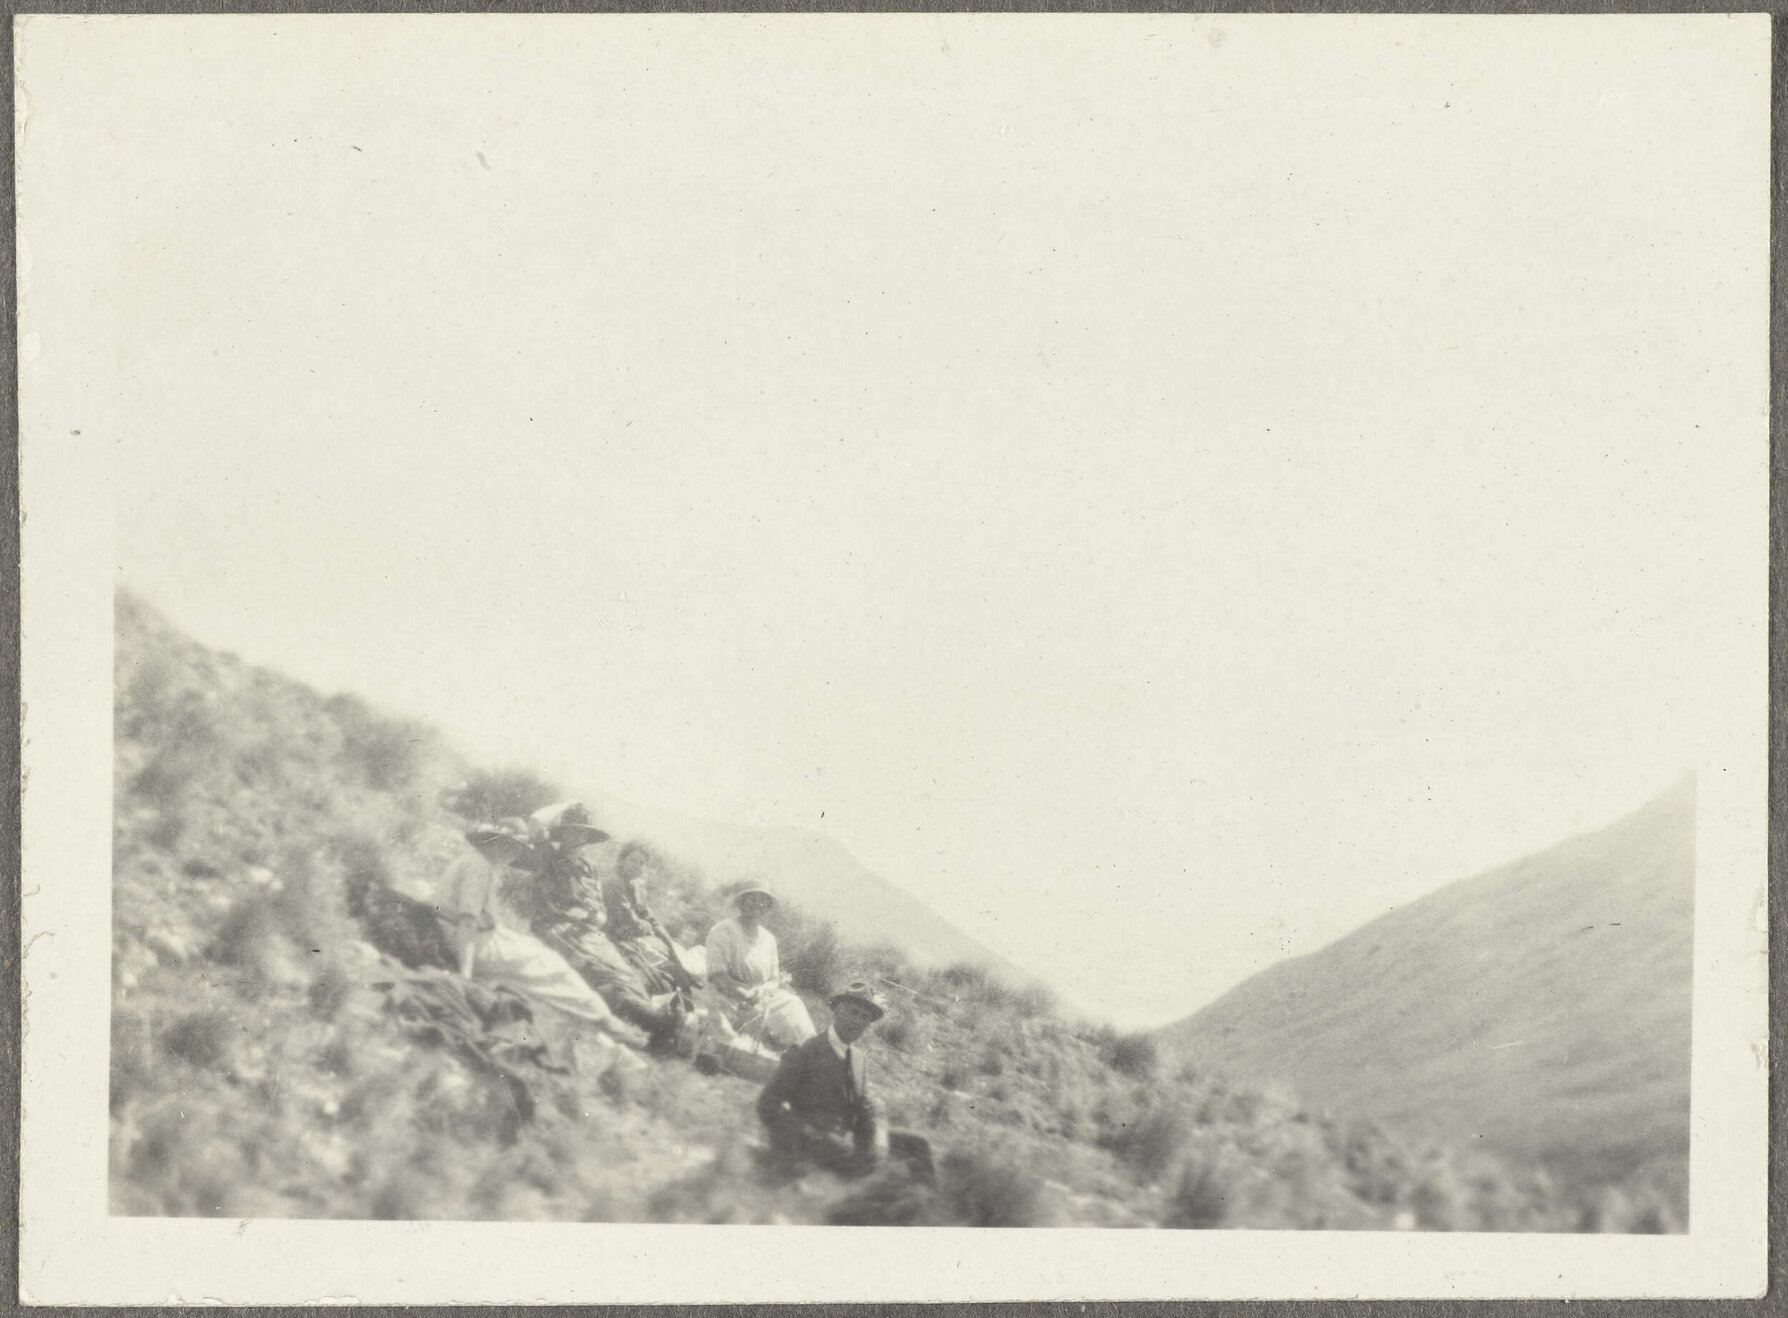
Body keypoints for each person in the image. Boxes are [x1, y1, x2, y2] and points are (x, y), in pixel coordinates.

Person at [435, 819, 646, 1057]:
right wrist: (465, 974)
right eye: (506, 846)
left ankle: (596, 1018)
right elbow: (468, 921)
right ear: (491, 842)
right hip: (473, 941)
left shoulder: (473, 861)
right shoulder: (479, 867)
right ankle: (604, 1020)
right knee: (551, 965)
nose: (511, 853)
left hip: (469, 934)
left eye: (515, 848)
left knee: (534, 949)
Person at [523, 807, 688, 1051]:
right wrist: (568, 804)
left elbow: (599, 908)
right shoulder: (549, 857)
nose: (577, 839)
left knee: (623, 971)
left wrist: (595, 916)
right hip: (556, 928)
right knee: (598, 970)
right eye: (572, 832)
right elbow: (535, 822)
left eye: (582, 834)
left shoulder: (589, 867)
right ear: (563, 834)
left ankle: (648, 1018)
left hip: (590, 932)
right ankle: (644, 1021)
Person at [756, 981, 934, 1183]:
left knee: (918, 1145)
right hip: (818, 1141)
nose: (858, 1021)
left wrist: (880, 1135)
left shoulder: (858, 1058)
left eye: (865, 1017)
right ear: (837, 1011)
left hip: (851, 1136)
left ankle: (927, 1208)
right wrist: (807, 1131)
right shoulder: (805, 1050)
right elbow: (768, 1104)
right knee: (879, 1174)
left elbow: (867, 1104)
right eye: (853, 1012)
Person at [703, 887, 816, 1051]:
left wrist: (762, 991)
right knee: (734, 1034)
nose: (757, 904)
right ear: (741, 902)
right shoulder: (726, 929)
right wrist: (743, 993)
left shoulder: (769, 939)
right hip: (728, 994)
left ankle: (809, 1052)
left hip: (759, 996)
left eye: (762, 900)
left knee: (792, 1003)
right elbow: (717, 974)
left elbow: (774, 979)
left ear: (767, 907)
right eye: (752, 898)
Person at [600, 842, 700, 1001]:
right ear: (621, 860)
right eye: (632, 860)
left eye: (641, 863)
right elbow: (629, 921)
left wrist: (669, 945)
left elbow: (650, 918)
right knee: (664, 974)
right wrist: (645, 927)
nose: (637, 866)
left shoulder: (635, 887)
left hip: (633, 939)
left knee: (675, 960)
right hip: (614, 938)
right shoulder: (613, 883)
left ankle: (683, 995)